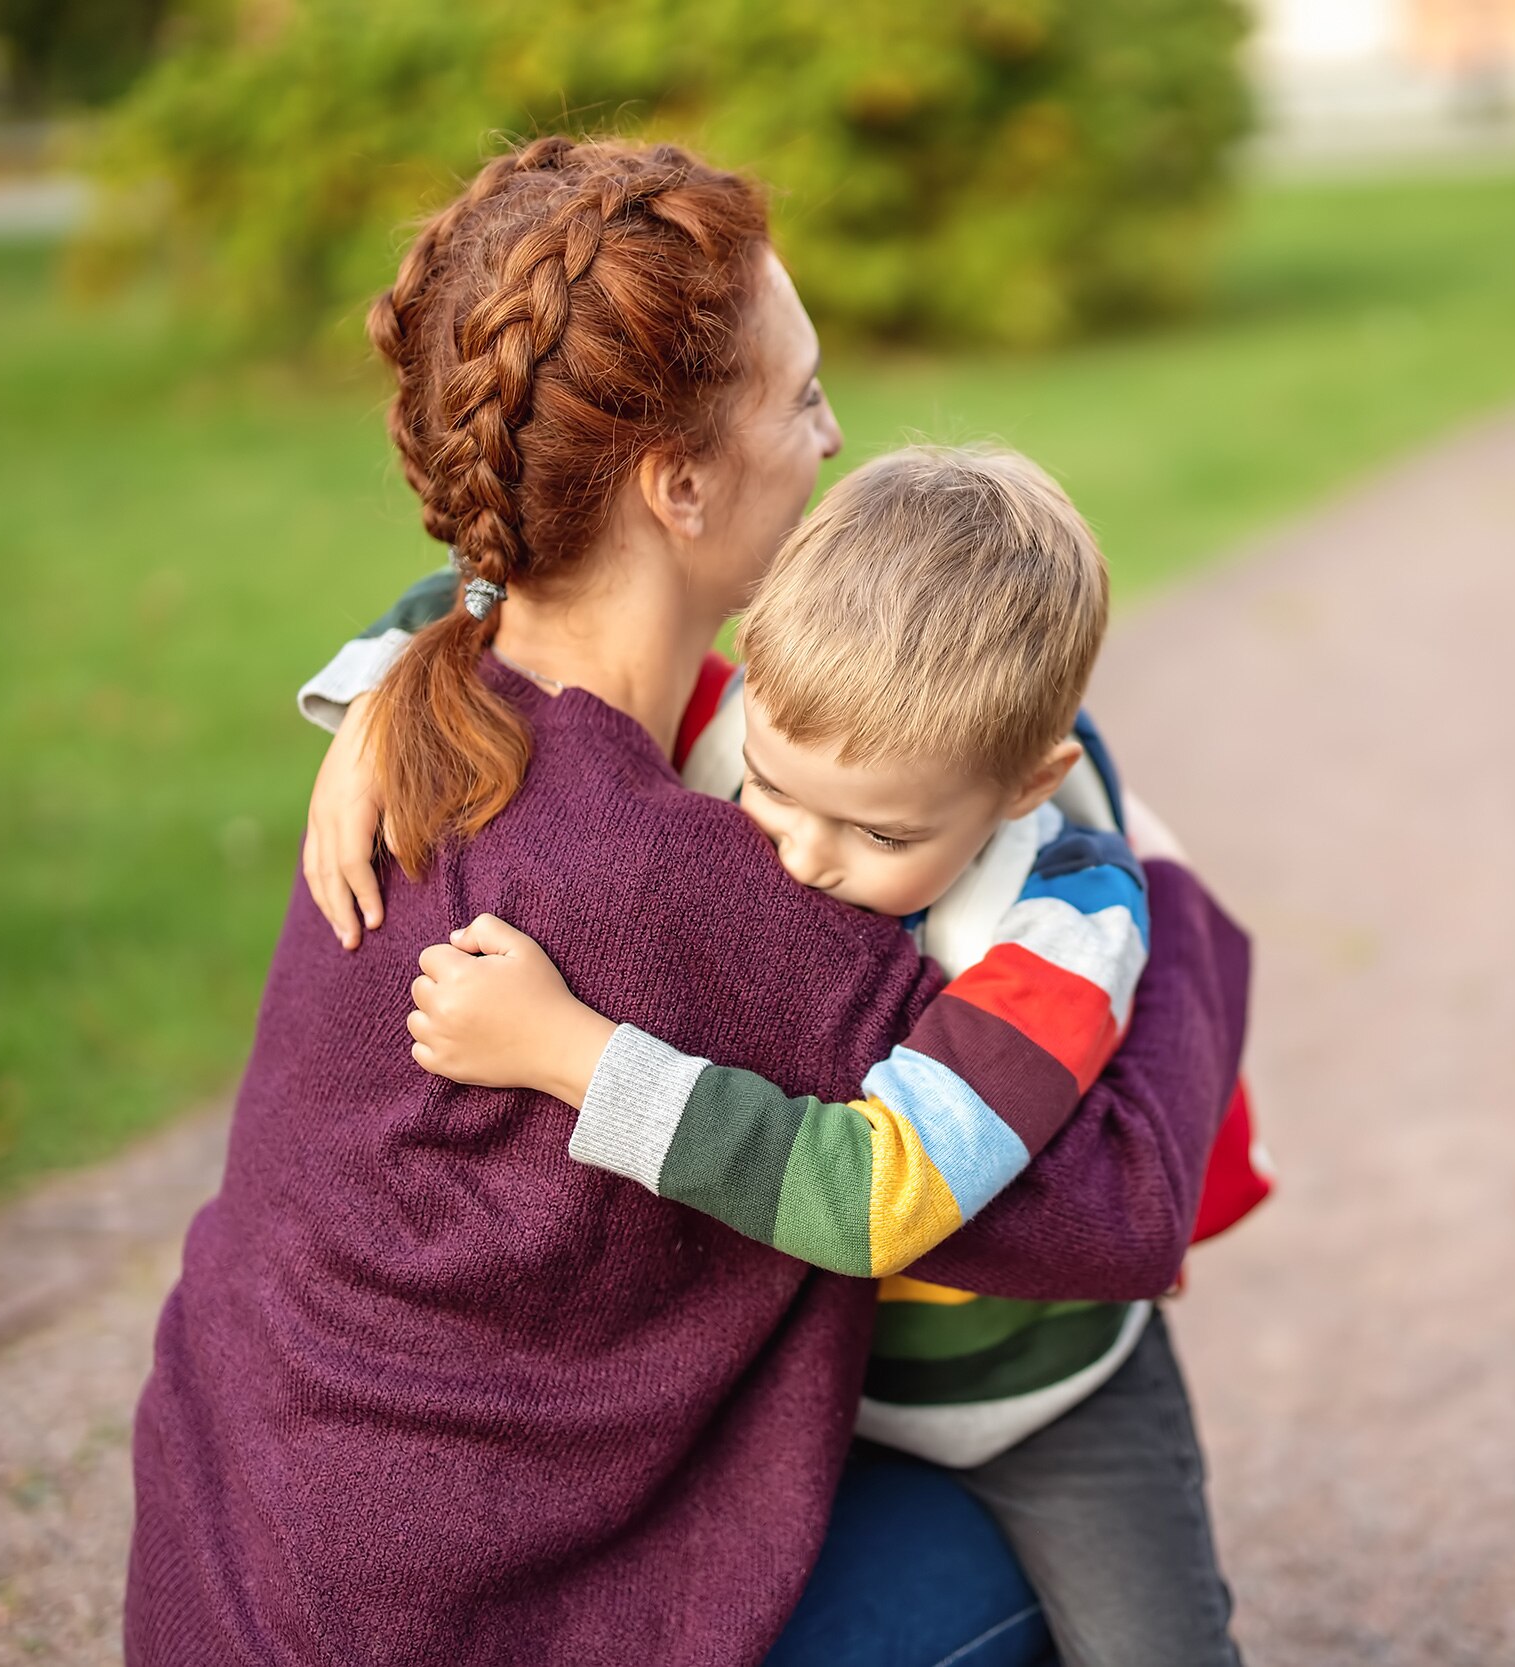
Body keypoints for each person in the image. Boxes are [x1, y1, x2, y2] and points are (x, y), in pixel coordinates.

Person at [126, 136, 1251, 1667]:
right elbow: (1116, 1203)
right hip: (455, 1621)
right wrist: (1159, 889)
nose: (836, 433)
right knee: (1015, 1558)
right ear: (677, 481)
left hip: (239, 1577)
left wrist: (407, 642)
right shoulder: (682, 881)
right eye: (801, 398)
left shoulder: (433, 712)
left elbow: (475, 602)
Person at [303, 445, 1270, 1664]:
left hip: (1038, 1394)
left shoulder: (1066, 920)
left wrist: (579, 1059)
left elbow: (879, 1190)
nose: (804, 855)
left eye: (879, 830)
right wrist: (385, 693)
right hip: (819, 1385)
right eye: (773, 787)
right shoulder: (741, 720)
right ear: (755, 678)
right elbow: (510, 603)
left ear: (1031, 781)